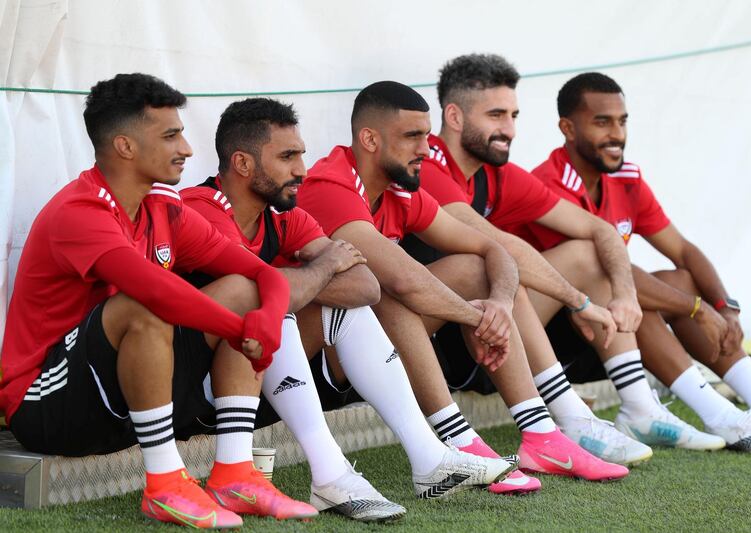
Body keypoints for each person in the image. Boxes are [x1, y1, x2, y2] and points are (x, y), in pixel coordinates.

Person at [0, 73, 305, 529]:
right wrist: (243, 333)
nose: (186, 147)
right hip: (46, 405)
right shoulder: (79, 211)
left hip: (116, 394)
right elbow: (156, 291)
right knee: (142, 304)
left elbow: (261, 274)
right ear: (124, 146)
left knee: (245, 292)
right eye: (170, 135)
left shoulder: (162, 207)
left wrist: (264, 315)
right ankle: (164, 484)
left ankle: (236, 474)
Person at [182, 98, 511, 518]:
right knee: (267, 303)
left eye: (300, 154)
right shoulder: (199, 208)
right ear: (243, 164)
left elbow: (364, 285)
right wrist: (322, 270)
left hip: (265, 376)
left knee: (339, 307)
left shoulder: (286, 217)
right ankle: (329, 473)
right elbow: (258, 292)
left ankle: (429, 457)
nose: (301, 168)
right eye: (287, 157)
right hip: (196, 389)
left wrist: (310, 277)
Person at [299, 80, 630, 493]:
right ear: (369, 139)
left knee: (479, 269)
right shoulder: (330, 186)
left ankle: (543, 433)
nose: (425, 148)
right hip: (316, 354)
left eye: (425, 135)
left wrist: (502, 305)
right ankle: (458, 444)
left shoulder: (403, 190)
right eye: (412, 137)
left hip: (386, 345)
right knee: (389, 290)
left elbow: (494, 249)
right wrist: (480, 317)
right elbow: (403, 278)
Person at [418, 54, 724, 455]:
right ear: (454, 117)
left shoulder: (497, 173)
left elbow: (600, 230)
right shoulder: (427, 164)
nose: (509, 129)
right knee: (499, 267)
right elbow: (499, 245)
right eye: (495, 115)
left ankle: (639, 407)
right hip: (430, 340)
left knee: (583, 254)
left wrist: (624, 293)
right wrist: (576, 299)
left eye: (513, 115)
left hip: (492, 324)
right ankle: (571, 417)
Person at [505, 71, 751, 452]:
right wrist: (698, 309)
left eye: (622, 121)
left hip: (604, 328)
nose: (617, 134)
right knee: (627, 285)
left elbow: (684, 250)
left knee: (679, 280)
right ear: (568, 128)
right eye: (602, 122)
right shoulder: (547, 182)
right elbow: (603, 274)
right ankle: (716, 415)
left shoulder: (625, 178)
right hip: (546, 333)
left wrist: (725, 306)